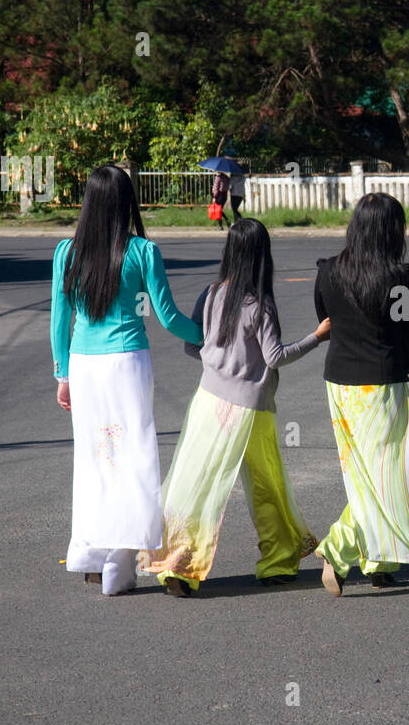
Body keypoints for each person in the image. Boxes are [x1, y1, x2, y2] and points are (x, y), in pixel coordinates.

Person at [141, 219, 331, 596]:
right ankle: (277, 561)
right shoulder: (259, 304)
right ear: (263, 256)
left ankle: (177, 565)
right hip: (252, 408)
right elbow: (275, 357)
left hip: (208, 403)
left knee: (196, 483)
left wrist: (220, 363)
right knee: (266, 486)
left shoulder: (210, 295)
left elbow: (191, 345)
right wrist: (318, 336)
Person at [50, 165, 203, 596]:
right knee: (131, 458)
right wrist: (209, 338)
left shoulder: (66, 252)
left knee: (95, 459)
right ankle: (120, 564)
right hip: (127, 363)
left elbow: (60, 321)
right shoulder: (142, 251)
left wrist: (62, 375)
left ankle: (90, 557)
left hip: (83, 365)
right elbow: (169, 317)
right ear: (126, 202)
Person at [312, 192, 409, 596]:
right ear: (391, 231)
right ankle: (339, 547)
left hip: (339, 386)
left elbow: (325, 319)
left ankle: (379, 561)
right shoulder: (398, 277)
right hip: (381, 386)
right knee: (386, 476)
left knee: (362, 474)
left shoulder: (328, 271)